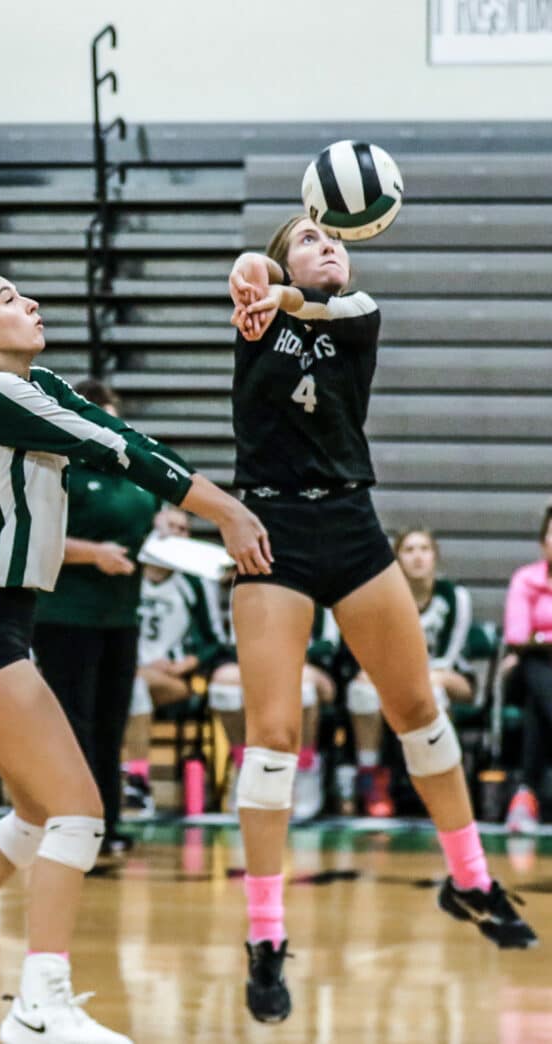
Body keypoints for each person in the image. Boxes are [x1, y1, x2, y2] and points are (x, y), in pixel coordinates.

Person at [0, 269, 271, 1044]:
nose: (30, 303)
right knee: (80, 811)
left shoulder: (37, 381)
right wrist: (225, 506)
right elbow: (115, 445)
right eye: (9, 299)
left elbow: (121, 434)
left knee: (33, 814)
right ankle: (40, 1005)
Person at [227, 218, 537, 1023]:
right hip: (273, 534)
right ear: (278, 255)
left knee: (419, 715)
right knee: (270, 738)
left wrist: (279, 286)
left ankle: (468, 879)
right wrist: (250, 277)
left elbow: (317, 300)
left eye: (337, 239)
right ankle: (265, 936)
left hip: (353, 527)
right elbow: (251, 271)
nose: (328, 246)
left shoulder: (357, 312)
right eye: (307, 239)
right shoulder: (256, 307)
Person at [32, 378, 160, 853]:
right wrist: (94, 554)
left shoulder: (130, 472)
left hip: (119, 616)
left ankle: (105, 822)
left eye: (112, 415)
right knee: (73, 722)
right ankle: (70, 822)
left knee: (111, 722)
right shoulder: (59, 466)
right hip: (66, 616)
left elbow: (151, 529)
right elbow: (39, 537)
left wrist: (169, 536)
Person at [346, 526, 476, 818]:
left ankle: (438, 783)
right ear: (397, 559)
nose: (418, 557)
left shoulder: (455, 596)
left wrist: (410, 677)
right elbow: (376, 651)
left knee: (433, 689)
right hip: (399, 676)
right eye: (409, 550)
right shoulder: (384, 597)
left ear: (435, 557)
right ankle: (371, 777)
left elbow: (449, 656)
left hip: (450, 675)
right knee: (361, 691)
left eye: (424, 549)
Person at [121, 505, 228, 816]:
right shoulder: (128, 574)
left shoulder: (193, 583)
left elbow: (215, 641)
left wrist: (188, 663)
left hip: (173, 680)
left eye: (185, 530)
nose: (179, 535)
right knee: (125, 683)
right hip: (122, 671)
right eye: (172, 527)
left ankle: (138, 780)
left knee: (135, 684)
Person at [209, 600, 339, 821]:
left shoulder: (319, 577)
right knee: (224, 683)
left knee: (302, 682)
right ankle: (245, 769)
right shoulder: (250, 575)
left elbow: (329, 642)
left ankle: (305, 769)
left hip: (309, 664)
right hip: (257, 663)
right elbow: (230, 642)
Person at [501, 502, 552, 834]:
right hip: (528, 669)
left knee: (538, 703)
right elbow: (517, 637)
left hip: (539, 688)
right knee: (535, 665)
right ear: (543, 540)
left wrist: (541, 636)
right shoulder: (525, 579)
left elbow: (531, 635)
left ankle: (525, 794)